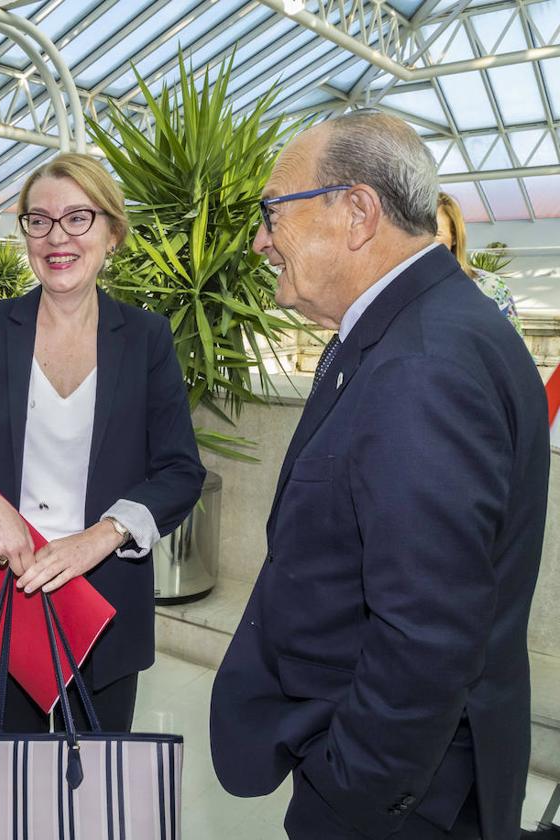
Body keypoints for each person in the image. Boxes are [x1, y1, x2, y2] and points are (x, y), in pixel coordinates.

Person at [209, 112, 548, 839]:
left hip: (396, 798)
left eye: (274, 212)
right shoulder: (416, 329)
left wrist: (350, 785)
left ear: (357, 211)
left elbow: (426, 633)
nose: (262, 240)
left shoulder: (423, 365)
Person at [0, 152, 205, 733]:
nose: (57, 237)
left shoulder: (146, 338)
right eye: (40, 221)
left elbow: (180, 470)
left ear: (112, 232)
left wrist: (102, 537)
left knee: (92, 803)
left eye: (78, 218)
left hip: (100, 605)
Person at [436, 191, 524, 335]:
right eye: (417, 233)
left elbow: (514, 349)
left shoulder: (488, 286)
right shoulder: (403, 289)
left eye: (436, 234)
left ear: (454, 237)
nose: (424, 242)